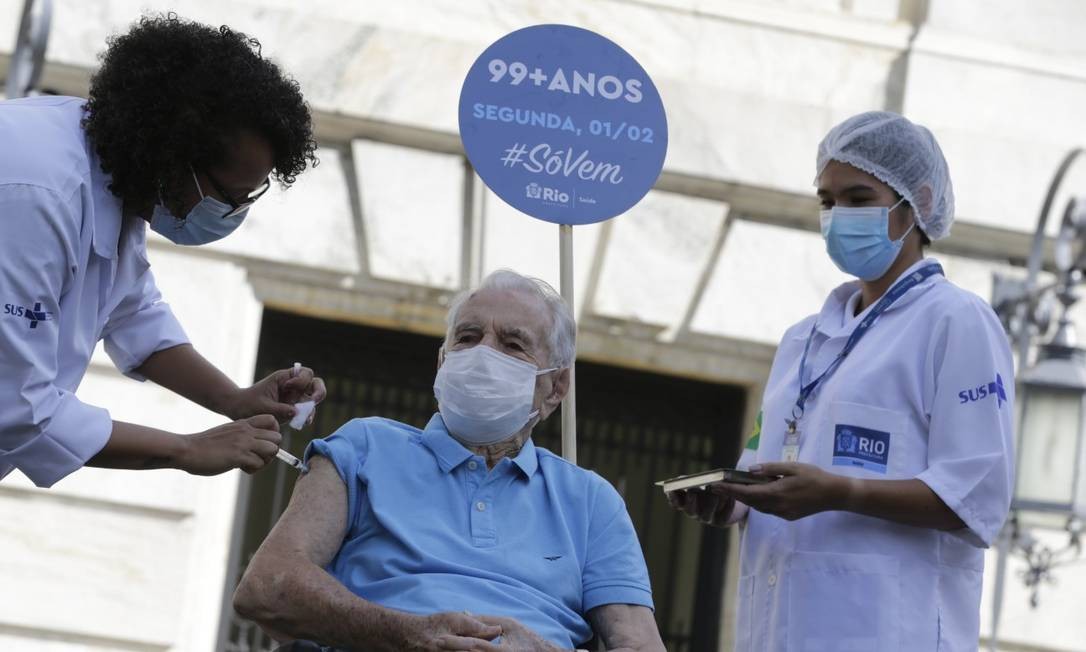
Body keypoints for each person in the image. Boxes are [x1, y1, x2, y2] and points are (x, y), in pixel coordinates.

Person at [668, 112, 1014, 650]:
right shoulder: (801, 340)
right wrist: (734, 499)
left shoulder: (956, 321)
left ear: (916, 203)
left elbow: (976, 495)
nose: (837, 216)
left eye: (858, 198)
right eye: (827, 202)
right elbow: (763, 460)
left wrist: (840, 491)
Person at [233, 270, 665, 652]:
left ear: (555, 388)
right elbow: (267, 586)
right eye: (468, 337)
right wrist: (406, 635)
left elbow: (639, 643)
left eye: (512, 344)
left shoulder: (591, 501)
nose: (483, 355)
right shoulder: (365, 448)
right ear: (442, 363)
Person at [0, 14, 325, 488]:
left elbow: (133, 313)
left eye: (245, 200)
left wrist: (236, 400)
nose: (233, 214)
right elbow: (15, 407)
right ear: (171, 154)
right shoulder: (38, 192)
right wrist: (188, 449)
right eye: (227, 197)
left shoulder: (113, 176)